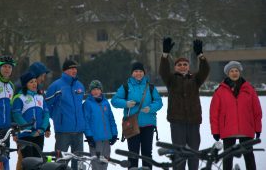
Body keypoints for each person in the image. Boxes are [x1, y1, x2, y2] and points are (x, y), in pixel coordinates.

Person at [159, 38, 210, 170]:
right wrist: (165, 55)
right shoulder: (170, 79)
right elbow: (163, 72)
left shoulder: (195, 79)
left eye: (185, 64)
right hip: (177, 122)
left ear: (188, 67)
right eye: (179, 64)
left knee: (193, 153)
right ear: (175, 67)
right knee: (179, 153)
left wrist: (201, 56)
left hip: (193, 121)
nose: (182, 66)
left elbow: (205, 71)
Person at [210, 61, 262, 170]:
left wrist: (258, 128)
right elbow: (214, 113)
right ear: (228, 74)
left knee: (249, 157)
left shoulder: (249, 89)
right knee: (227, 158)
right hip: (228, 129)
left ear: (240, 72)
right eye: (232, 71)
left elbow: (257, 111)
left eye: (236, 71)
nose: (234, 73)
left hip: (246, 128)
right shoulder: (220, 91)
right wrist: (215, 131)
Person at [111, 62, 163, 169]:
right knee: (133, 154)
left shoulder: (150, 87)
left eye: (140, 71)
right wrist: (126, 103)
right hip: (131, 125)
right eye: (136, 71)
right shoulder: (126, 86)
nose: (138, 73)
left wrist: (151, 108)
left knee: (147, 154)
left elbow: (159, 102)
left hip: (148, 124)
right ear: (132, 73)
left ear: (144, 73)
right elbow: (114, 100)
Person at [45, 59, 85, 170]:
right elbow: (46, 107)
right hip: (63, 131)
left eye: (75, 68)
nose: (74, 70)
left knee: (78, 162)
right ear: (65, 71)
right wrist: (58, 118)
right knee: (60, 162)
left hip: (78, 131)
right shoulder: (56, 86)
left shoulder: (80, 86)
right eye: (71, 68)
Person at [12, 71, 49, 160]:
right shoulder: (19, 97)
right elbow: (17, 116)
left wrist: (42, 129)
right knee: (28, 162)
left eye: (35, 81)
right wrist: (30, 129)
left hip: (39, 135)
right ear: (25, 84)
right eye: (31, 82)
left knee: (38, 161)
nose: (34, 84)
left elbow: (46, 114)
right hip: (25, 135)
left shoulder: (40, 97)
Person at [83, 80, 118, 170]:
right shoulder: (87, 104)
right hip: (95, 140)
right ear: (90, 91)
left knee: (105, 162)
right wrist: (89, 136)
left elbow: (111, 119)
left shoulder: (106, 103)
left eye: (97, 89)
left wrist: (114, 133)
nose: (95, 91)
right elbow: (86, 121)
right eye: (93, 89)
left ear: (101, 90)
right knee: (96, 164)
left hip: (106, 139)